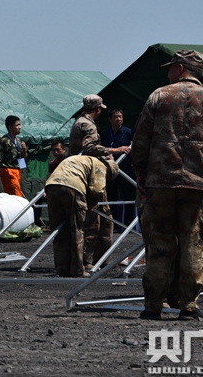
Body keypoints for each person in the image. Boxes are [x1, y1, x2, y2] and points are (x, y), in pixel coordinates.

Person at [132, 50, 203, 321]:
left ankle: (153, 306)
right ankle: (188, 307)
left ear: (179, 68)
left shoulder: (158, 96)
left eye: (170, 68)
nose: (167, 73)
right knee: (194, 244)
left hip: (160, 184)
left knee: (159, 244)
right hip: (197, 185)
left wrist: (141, 174)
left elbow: (140, 140)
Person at [69, 95, 127, 269]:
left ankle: (97, 258)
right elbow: (89, 147)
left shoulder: (78, 121)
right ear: (98, 109)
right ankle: (91, 260)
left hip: (79, 173)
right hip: (88, 176)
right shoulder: (88, 124)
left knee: (93, 218)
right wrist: (114, 150)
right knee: (98, 218)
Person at [45, 156, 120, 277]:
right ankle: (78, 270)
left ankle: (62, 269)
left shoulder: (80, 159)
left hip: (52, 186)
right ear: (109, 171)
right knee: (77, 230)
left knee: (60, 231)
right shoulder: (100, 166)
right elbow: (97, 190)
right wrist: (90, 205)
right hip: (72, 187)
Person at [100, 108, 136, 229]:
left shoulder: (128, 132)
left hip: (125, 168)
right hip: (110, 169)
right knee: (111, 196)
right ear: (110, 119)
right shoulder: (105, 133)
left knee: (128, 196)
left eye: (120, 117)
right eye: (115, 117)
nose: (118, 119)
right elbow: (100, 149)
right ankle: (114, 225)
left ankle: (128, 225)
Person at [0, 115, 28, 198]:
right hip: (8, 171)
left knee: (12, 195)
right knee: (16, 195)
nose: (19, 127)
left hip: (17, 171)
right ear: (10, 127)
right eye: (17, 125)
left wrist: (24, 150)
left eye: (19, 125)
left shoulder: (18, 141)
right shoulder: (5, 140)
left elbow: (23, 159)